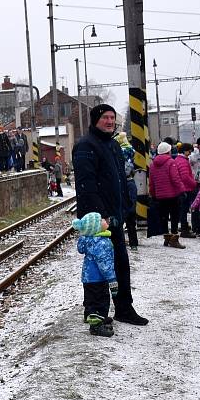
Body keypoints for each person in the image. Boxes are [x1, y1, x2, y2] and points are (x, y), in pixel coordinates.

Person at [73, 103, 148, 326]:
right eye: (105, 117)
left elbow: (121, 180)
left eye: (112, 117)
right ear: (96, 119)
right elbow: (86, 185)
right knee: (98, 266)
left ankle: (124, 308)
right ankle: (96, 312)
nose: (109, 121)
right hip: (98, 221)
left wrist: (125, 209)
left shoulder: (113, 145)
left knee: (120, 264)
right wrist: (101, 216)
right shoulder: (86, 146)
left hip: (115, 217)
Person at [72, 212, 117, 337]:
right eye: (101, 220)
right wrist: (112, 279)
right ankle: (96, 326)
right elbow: (105, 264)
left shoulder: (88, 240)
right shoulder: (101, 243)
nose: (105, 221)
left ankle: (91, 316)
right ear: (95, 228)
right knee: (101, 301)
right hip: (99, 278)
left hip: (88, 278)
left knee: (91, 299)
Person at [149, 141, 186, 249]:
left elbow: (151, 182)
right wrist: (182, 190)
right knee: (174, 217)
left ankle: (167, 239)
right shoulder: (171, 162)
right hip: (173, 195)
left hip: (160, 197)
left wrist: (154, 194)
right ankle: (174, 239)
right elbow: (175, 179)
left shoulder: (152, 164)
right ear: (168, 151)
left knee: (164, 218)